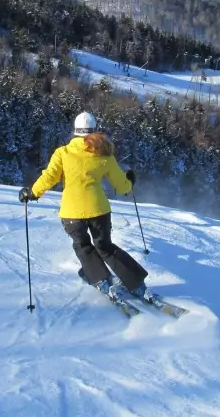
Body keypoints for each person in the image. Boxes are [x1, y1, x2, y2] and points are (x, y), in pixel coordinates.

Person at [19, 112, 152, 302]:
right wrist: (130, 181)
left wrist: (32, 193)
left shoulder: (62, 153)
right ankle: (136, 283)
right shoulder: (104, 154)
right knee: (105, 246)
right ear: (95, 130)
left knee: (83, 246)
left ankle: (101, 280)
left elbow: (49, 178)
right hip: (99, 211)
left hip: (72, 213)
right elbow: (122, 186)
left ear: (75, 131)